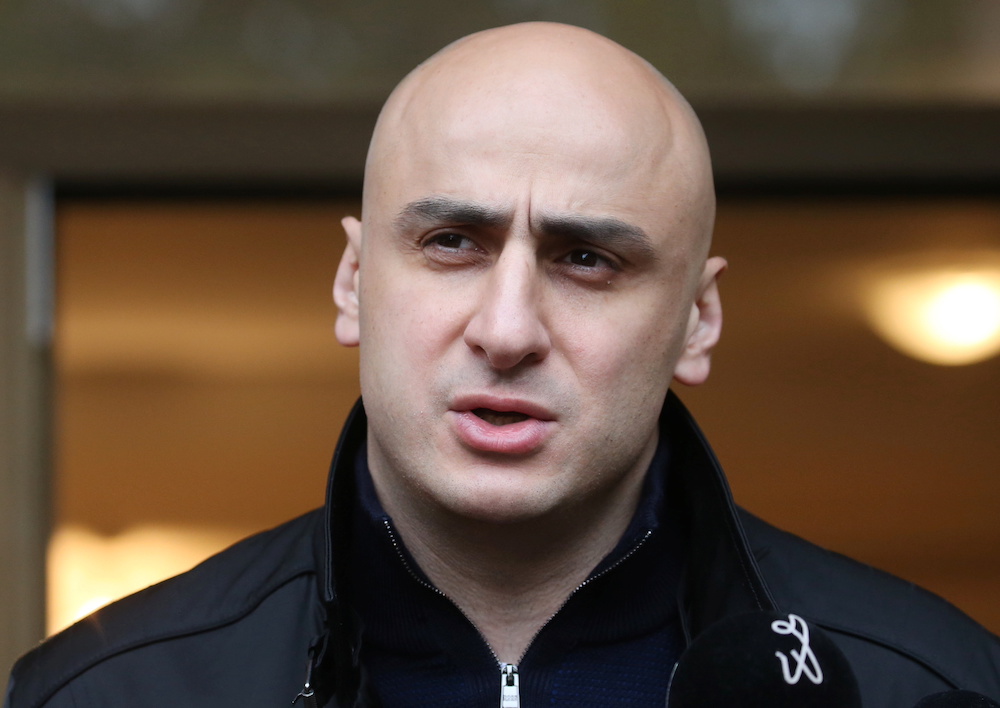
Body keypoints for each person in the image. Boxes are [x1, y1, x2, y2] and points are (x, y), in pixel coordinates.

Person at [7, 22, 1000, 708]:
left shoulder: (923, 682)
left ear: (697, 320)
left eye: (586, 259)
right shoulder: (112, 691)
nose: (509, 327)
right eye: (451, 243)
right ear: (353, 282)